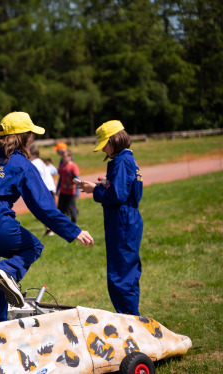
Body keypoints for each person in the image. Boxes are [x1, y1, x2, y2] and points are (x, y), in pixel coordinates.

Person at [0, 112, 94, 324]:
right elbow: (42, 206)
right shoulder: (21, 164)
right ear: (24, 137)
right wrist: (73, 231)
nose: (33, 138)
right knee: (33, 247)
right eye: (31, 134)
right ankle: (7, 270)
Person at [78, 120, 143, 316]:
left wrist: (95, 190)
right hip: (125, 218)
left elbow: (118, 195)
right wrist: (105, 185)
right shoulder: (126, 159)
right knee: (125, 272)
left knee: (120, 276)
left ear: (115, 139)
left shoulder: (122, 161)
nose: (104, 151)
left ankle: (130, 321)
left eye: (105, 145)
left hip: (122, 220)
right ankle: (131, 318)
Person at [29, 145, 57, 236]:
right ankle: (51, 229)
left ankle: (50, 229)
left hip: (44, 189)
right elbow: (54, 172)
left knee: (44, 210)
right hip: (51, 187)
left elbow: (35, 176)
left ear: (31, 154)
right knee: (49, 209)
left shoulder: (34, 163)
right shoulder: (43, 161)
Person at [57, 150, 80, 223]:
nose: (63, 158)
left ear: (70, 157)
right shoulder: (62, 166)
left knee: (72, 208)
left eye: (65, 157)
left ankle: (74, 223)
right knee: (61, 208)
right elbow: (60, 179)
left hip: (71, 191)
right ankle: (61, 223)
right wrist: (58, 189)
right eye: (62, 157)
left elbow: (77, 179)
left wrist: (77, 191)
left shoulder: (73, 166)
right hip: (63, 191)